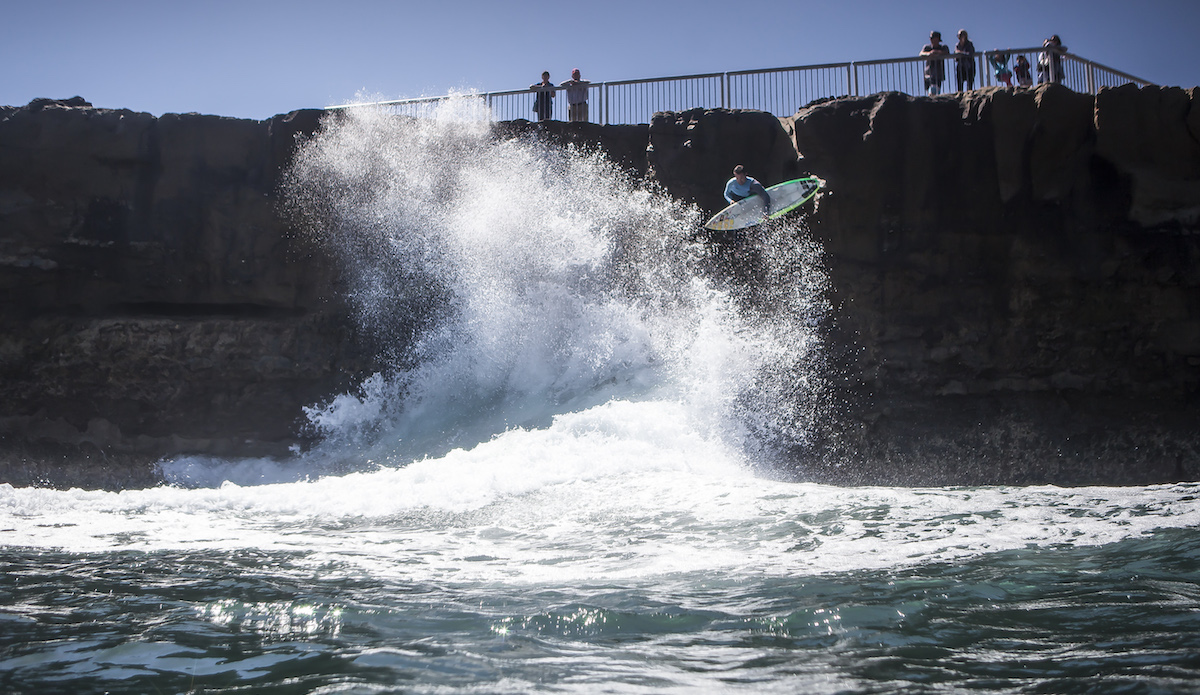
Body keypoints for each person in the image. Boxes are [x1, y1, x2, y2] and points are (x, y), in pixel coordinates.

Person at [919, 31, 951, 96]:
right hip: (928, 74)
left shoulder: (943, 47)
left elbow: (947, 52)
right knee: (929, 94)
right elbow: (921, 54)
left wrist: (937, 52)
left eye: (934, 38)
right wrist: (929, 54)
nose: (932, 40)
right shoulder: (927, 47)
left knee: (933, 92)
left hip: (938, 75)